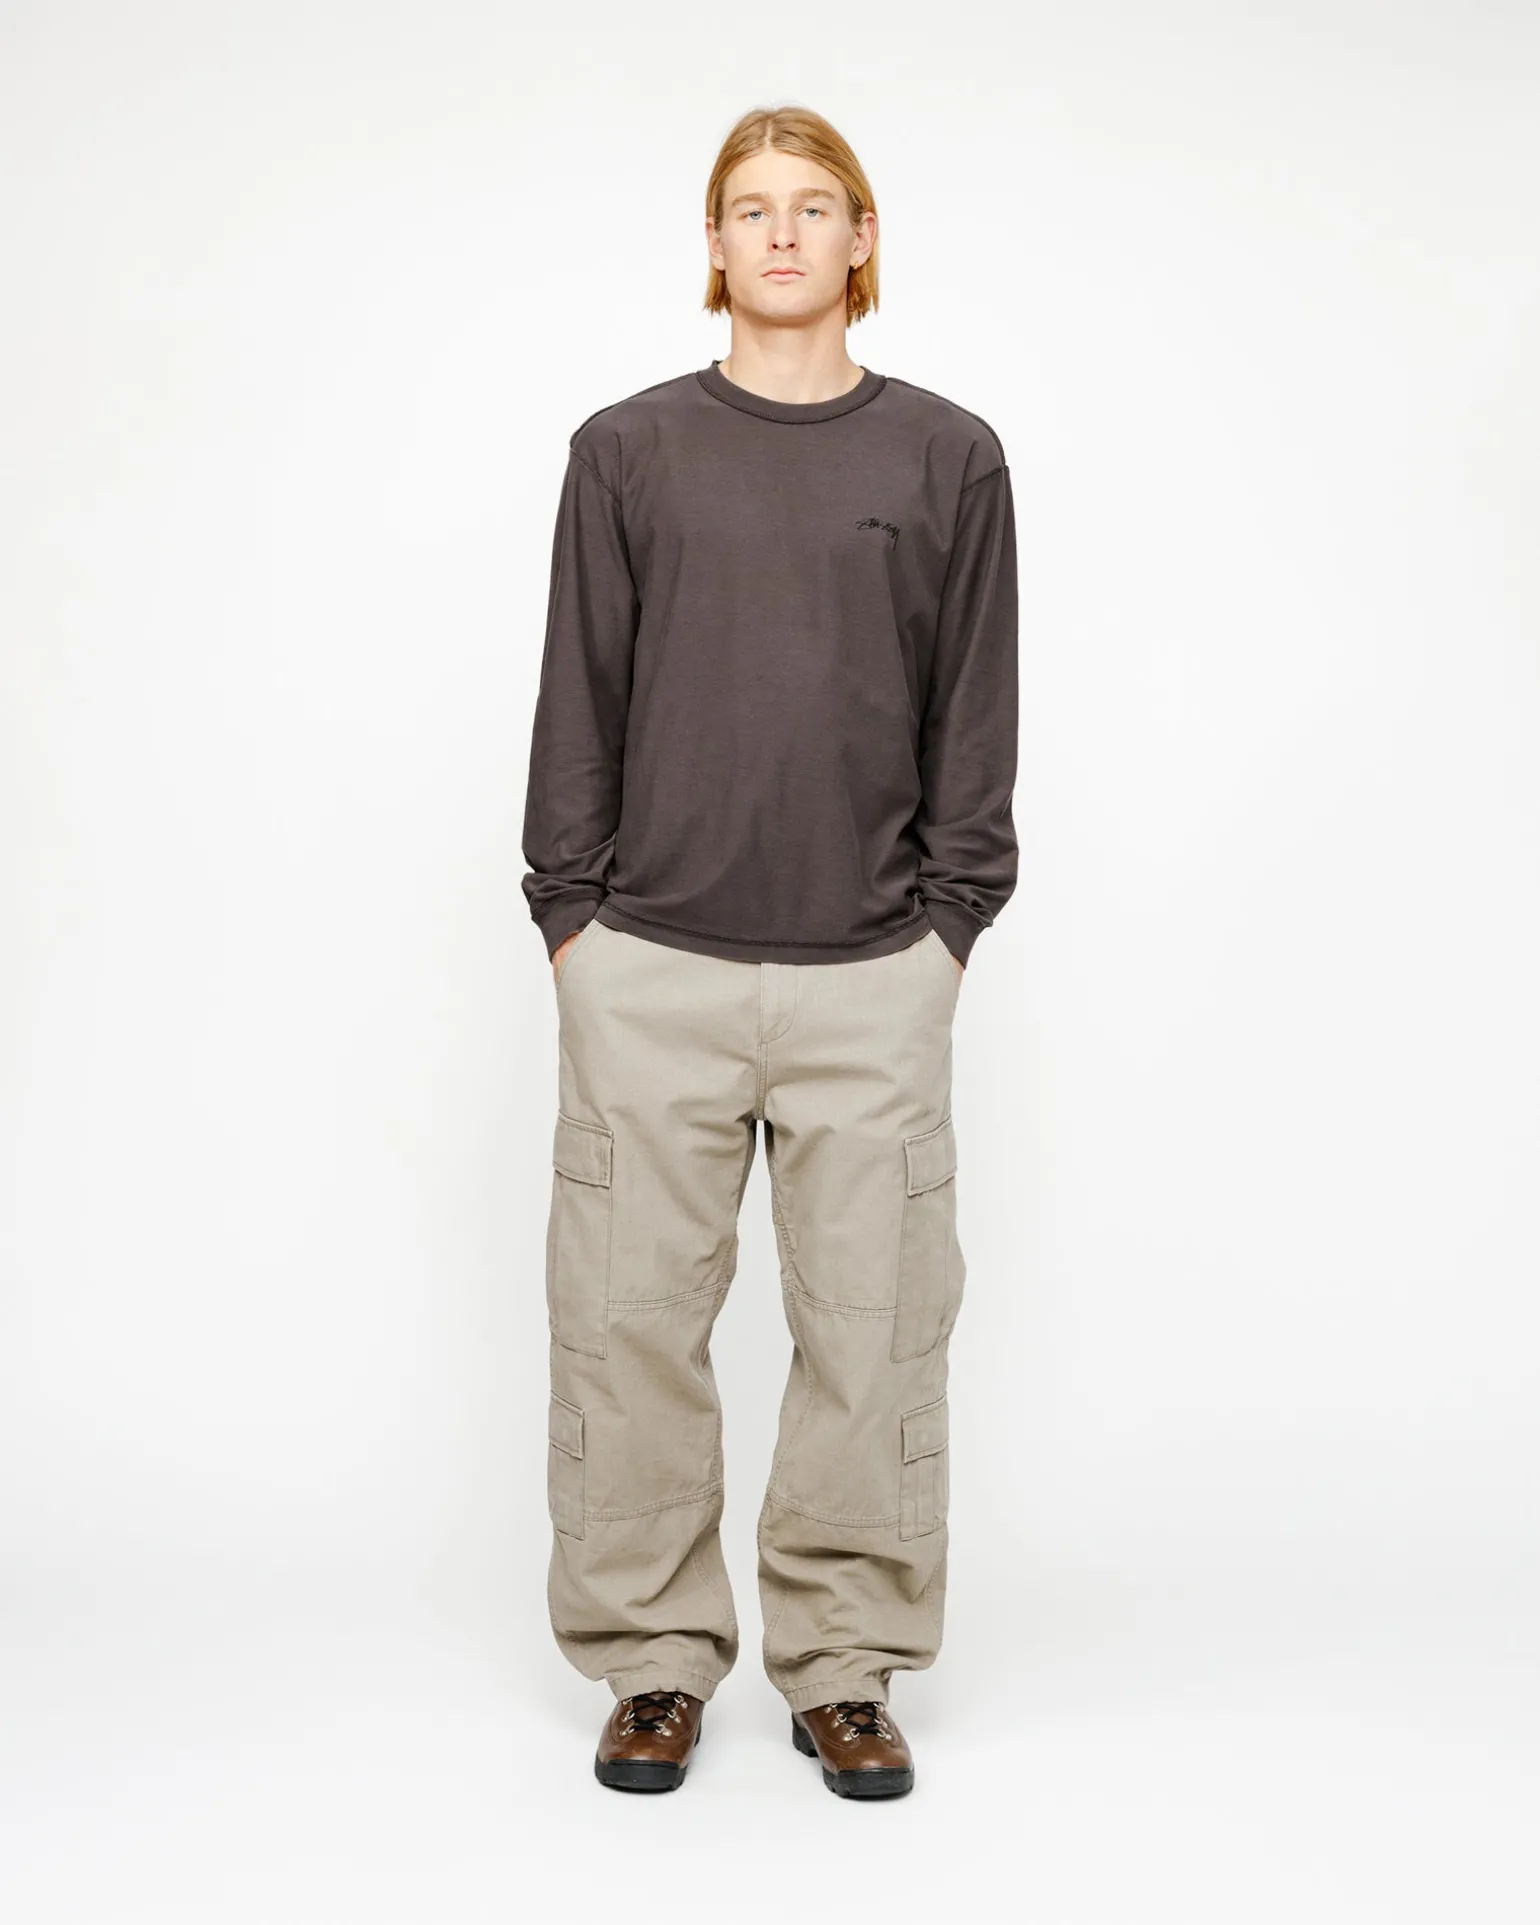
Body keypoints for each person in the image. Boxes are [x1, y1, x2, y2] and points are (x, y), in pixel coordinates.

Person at [521, 102, 1018, 1799]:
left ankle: (843, 1667)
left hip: (873, 973)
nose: (784, 234)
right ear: (716, 244)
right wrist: (572, 922)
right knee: (628, 1330)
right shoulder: (628, 452)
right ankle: (653, 1661)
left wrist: (950, 927)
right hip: (648, 967)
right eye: (752, 209)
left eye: (816, 207)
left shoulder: (948, 457)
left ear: (863, 239)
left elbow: (975, 715)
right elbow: (580, 693)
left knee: (875, 1335)